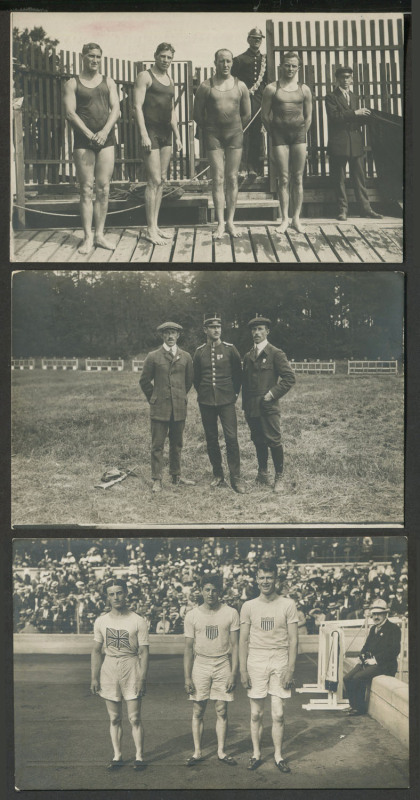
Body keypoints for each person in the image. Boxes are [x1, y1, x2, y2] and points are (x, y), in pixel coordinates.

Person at [239, 558, 298, 772]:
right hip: (256, 659)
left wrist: (290, 669)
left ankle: (279, 755)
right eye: (262, 577)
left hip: (280, 659)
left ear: (276, 579)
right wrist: (243, 670)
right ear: (256, 580)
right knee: (256, 713)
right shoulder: (248, 606)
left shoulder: (288, 604)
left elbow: (293, 640)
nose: (266, 581)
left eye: (269, 577)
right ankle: (256, 754)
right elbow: (243, 641)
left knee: (279, 714)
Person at [64, 43, 120, 254]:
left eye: (98, 57)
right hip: (83, 141)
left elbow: (116, 109)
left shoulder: (109, 82)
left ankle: (100, 235)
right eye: (91, 56)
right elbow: (70, 113)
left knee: (103, 188)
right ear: (83, 57)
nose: (95, 60)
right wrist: (89, 135)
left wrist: (104, 132)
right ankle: (87, 237)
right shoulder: (72, 83)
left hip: (106, 139)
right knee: (86, 188)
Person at [90, 579, 149, 770]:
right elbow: (97, 651)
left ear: (126, 594)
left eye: (120, 593)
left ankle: (139, 756)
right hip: (109, 669)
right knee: (114, 718)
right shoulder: (101, 621)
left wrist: (141, 678)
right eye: (112, 594)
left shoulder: (137, 620)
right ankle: (117, 756)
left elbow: (144, 652)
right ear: (107, 597)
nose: (116, 597)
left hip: (131, 666)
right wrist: (94, 677)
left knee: (135, 718)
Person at [193, 49, 251, 239]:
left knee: (232, 178)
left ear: (232, 63)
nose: (225, 65)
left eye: (228, 61)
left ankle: (230, 222)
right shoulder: (205, 86)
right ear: (215, 63)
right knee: (217, 179)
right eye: (221, 61)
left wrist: (235, 128)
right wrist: (210, 129)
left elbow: (247, 114)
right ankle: (219, 224)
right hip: (214, 136)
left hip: (234, 135)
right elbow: (197, 114)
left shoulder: (240, 86)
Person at [184, 574, 240, 766]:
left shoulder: (231, 613)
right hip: (200, 664)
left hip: (222, 663)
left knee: (222, 709)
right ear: (200, 591)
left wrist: (234, 673)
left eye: (214, 590)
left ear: (220, 592)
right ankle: (197, 751)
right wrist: (187, 677)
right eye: (207, 590)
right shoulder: (192, 615)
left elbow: (235, 646)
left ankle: (221, 751)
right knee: (198, 709)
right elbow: (188, 649)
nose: (210, 594)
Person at [134, 43, 182, 245]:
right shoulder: (145, 76)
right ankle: (149, 229)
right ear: (155, 56)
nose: (166, 60)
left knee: (161, 179)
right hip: (151, 132)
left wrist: (178, 136)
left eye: (169, 57)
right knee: (153, 180)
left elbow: (171, 111)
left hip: (165, 133)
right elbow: (136, 106)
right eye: (162, 56)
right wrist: (144, 134)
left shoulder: (170, 79)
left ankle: (155, 226)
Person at [241, 316, 296, 493]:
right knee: (258, 440)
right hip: (251, 407)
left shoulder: (276, 353)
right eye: (254, 330)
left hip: (268, 406)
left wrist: (271, 394)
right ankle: (262, 473)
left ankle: (279, 476)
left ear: (267, 331)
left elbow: (289, 378)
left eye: (260, 329)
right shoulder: (248, 355)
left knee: (273, 440)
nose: (256, 333)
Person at [139, 321, 195, 493]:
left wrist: (178, 396)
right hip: (160, 408)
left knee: (177, 443)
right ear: (162, 335)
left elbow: (188, 381)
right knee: (157, 445)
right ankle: (157, 478)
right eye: (167, 333)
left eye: (174, 333)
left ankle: (176, 475)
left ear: (178, 335)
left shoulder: (186, 356)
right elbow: (144, 381)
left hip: (179, 407)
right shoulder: (153, 356)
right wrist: (154, 398)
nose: (170, 336)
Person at [261, 51, 312, 233]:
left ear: (298, 68)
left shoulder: (304, 89)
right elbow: (264, 115)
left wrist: (301, 133)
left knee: (297, 177)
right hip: (279, 136)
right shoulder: (271, 89)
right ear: (281, 67)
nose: (290, 69)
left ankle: (296, 218)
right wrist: (275, 131)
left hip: (298, 136)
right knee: (283, 178)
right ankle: (284, 218)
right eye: (287, 65)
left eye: (293, 66)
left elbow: (308, 116)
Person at [193, 314, 244, 494]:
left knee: (231, 438)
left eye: (219, 327)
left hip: (226, 401)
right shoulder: (199, 352)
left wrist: (234, 394)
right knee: (211, 438)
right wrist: (205, 394)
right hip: (206, 401)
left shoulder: (230, 349)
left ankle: (236, 478)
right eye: (212, 327)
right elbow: (196, 378)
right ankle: (218, 474)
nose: (216, 330)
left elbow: (238, 374)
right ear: (205, 330)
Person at [324, 65, 382, 221]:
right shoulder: (330, 97)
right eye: (342, 77)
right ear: (337, 79)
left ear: (352, 79)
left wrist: (368, 117)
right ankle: (342, 210)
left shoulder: (354, 96)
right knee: (339, 179)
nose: (346, 80)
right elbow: (335, 117)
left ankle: (366, 208)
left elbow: (355, 121)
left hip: (356, 143)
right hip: (339, 143)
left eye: (348, 77)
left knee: (359, 178)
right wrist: (356, 113)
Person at [343, 598, 401, 716]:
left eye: (379, 614)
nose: (376, 617)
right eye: (374, 614)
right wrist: (362, 655)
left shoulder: (393, 629)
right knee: (347, 678)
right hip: (369, 662)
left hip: (384, 665)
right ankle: (353, 705)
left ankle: (360, 708)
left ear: (386, 614)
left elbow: (394, 650)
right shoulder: (374, 628)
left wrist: (375, 660)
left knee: (358, 677)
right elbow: (366, 646)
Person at [231, 27, 268, 178]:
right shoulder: (239, 59)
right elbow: (232, 81)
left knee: (256, 134)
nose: (256, 41)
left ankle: (254, 168)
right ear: (248, 40)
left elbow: (267, 82)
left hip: (259, 102)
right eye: (253, 38)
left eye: (259, 39)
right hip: (243, 101)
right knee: (242, 133)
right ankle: (242, 167)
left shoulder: (265, 60)